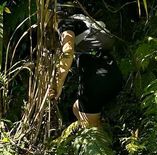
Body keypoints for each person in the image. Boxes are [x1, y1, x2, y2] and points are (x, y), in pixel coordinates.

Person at [50, 1, 123, 129]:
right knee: (77, 108)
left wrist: (57, 84)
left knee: (91, 130)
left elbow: (68, 52)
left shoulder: (65, 25)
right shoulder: (83, 20)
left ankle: (100, 145)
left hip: (95, 79)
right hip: (113, 74)